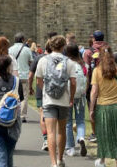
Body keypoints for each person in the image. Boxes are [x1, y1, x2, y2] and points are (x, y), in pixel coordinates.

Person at [35, 35, 76, 167]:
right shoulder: (69, 62)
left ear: (51, 46)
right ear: (63, 46)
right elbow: (73, 82)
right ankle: (60, 158)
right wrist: (71, 97)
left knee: (51, 132)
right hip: (63, 100)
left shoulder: (43, 60)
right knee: (61, 131)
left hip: (48, 100)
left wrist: (45, 90)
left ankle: (53, 163)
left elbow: (38, 80)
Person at [89, 47, 117, 167]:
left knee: (103, 135)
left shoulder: (97, 71)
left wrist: (91, 109)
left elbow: (94, 92)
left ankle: (101, 161)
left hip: (103, 108)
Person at [63, 43, 88, 157]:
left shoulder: (67, 64)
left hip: (68, 96)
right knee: (80, 120)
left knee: (68, 122)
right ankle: (81, 137)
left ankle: (70, 148)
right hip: (81, 95)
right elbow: (87, 81)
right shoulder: (84, 65)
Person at [8, 32, 34, 123]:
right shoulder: (27, 50)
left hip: (13, 76)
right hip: (24, 75)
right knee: (24, 97)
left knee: (13, 95)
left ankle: (12, 113)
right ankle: (22, 115)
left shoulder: (10, 49)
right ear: (23, 40)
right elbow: (31, 62)